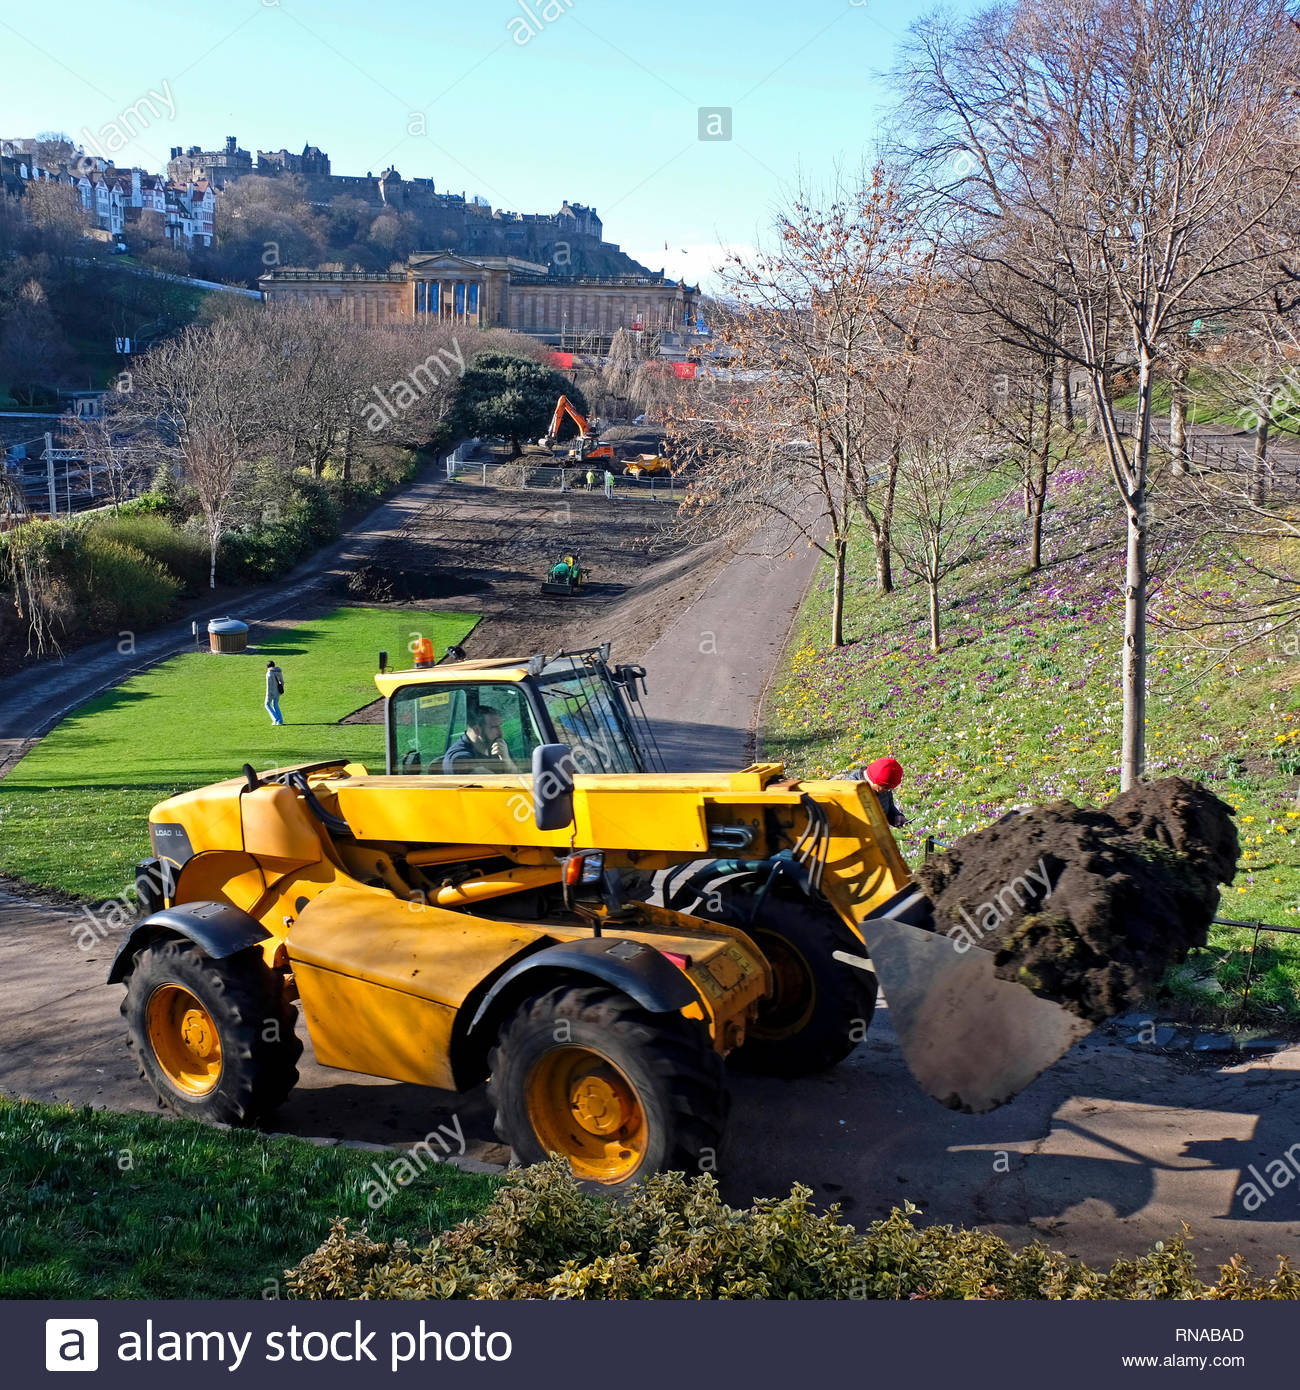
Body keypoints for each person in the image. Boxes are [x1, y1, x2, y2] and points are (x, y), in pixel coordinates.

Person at [442, 706, 519, 774]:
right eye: (494, 727)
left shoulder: (496, 746)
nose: (500, 732)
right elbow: (491, 785)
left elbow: (521, 779)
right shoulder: (459, 758)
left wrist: (507, 760)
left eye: (500, 726)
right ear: (477, 730)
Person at [864, 756, 907, 828]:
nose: (887, 791)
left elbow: (889, 807)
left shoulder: (884, 787)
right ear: (876, 782)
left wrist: (897, 818)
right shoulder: (850, 789)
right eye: (887, 789)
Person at [264, 659, 285, 726]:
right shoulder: (279, 671)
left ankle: (276, 719)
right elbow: (282, 682)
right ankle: (280, 721)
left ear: (268, 667)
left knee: (267, 704)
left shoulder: (268, 674)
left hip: (271, 692)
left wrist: (268, 694)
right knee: (275, 704)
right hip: (278, 691)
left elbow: (269, 685)